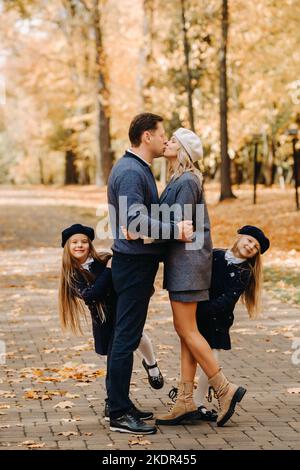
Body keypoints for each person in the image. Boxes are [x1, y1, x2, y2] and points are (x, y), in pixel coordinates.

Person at [107, 113, 194, 435]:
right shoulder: (131, 171)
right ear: (146, 136)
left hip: (135, 263)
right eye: (161, 134)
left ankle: (118, 402)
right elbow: (133, 223)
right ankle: (117, 412)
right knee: (125, 338)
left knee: (125, 335)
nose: (164, 140)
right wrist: (176, 231)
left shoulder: (137, 168)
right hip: (132, 266)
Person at [153, 128, 247, 427]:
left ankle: (224, 388)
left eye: (173, 141)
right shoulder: (181, 180)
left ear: (182, 151)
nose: (166, 142)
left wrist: (141, 234)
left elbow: (178, 227)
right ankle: (184, 400)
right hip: (187, 263)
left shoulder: (187, 181)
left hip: (188, 264)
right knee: (186, 332)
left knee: (186, 329)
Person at [58, 223, 164, 424]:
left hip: (122, 313)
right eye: (74, 242)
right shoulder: (72, 275)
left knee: (130, 349)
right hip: (104, 323)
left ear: (90, 245)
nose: (79, 245)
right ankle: (114, 403)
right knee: (114, 363)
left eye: (83, 242)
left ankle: (121, 400)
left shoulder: (104, 259)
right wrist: (107, 271)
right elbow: (91, 295)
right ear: (67, 247)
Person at [193, 225, 270, 419]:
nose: (251, 246)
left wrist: (203, 310)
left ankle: (198, 402)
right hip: (198, 312)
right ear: (240, 237)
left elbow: (228, 300)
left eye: (256, 247)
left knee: (212, 356)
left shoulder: (244, 272)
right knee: (194, 354)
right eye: (250, 240)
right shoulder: (215, 255)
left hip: (218, 318)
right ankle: (188, 395)